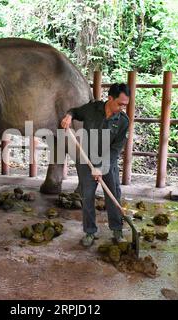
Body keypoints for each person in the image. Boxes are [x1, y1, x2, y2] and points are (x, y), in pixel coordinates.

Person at [60, 83, 130, 247]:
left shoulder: (123, 122)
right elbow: (75, 111)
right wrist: (69, 116)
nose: (122, 108)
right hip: (86, 161)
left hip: (108, 164)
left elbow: (116, 149)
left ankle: (117, 229)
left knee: (113, 197)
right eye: (120, 104)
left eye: (126, 105)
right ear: (110, 98)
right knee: (87, 198)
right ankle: (90, 232)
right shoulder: (92, 109)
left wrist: (102, 166)